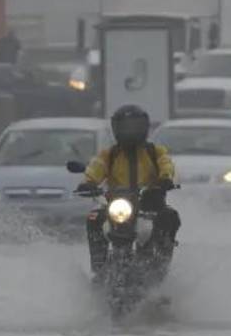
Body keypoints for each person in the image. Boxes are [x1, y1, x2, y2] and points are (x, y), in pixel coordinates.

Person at [77, 105, 180, 279]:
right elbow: (96, 168)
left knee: (170, 217)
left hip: (150, 203)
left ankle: (161, 265)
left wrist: (165, 179)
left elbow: (166, 164)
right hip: (117, 204)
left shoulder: (154, 152)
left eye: (134, 127)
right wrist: (88, 183)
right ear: (116, 128)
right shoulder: (109, 155)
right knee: (94, 218)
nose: (130, 132)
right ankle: (99, 266)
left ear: (144, 127)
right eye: (125, 127)